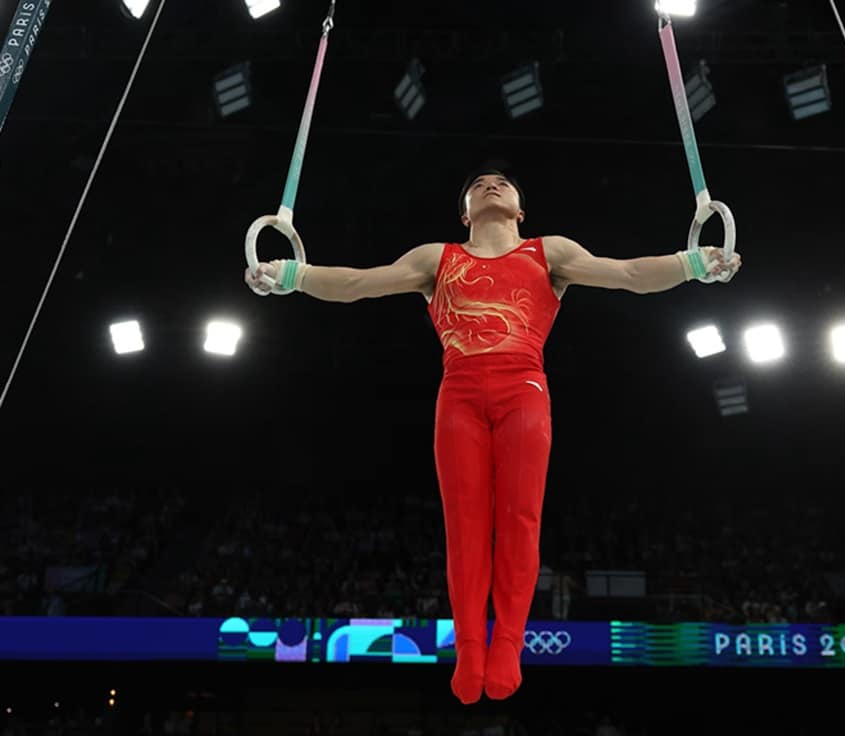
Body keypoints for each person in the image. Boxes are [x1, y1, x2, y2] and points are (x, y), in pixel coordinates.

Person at [244, 165, 742, 704]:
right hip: (457, 397)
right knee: (465, 526)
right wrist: (290, 275)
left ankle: (507, 641)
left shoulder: (548, 253)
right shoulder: (437, 259)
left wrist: (694, 264)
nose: (491, 184)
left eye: (502, 183)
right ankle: (469, 647)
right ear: (465, 213)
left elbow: (627, 273)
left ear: (520, 210)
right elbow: (358, 284)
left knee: (520, 518)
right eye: (478, 184)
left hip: (523, 390)